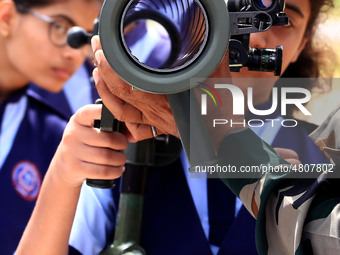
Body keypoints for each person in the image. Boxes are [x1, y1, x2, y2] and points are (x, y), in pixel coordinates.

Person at [16, 0, 337, 254]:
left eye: (280, 20)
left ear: (303, 42)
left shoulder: (319, 159)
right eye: (234, 9)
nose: (254, 33)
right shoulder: (126, 146)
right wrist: (62, 177)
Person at [0, 0, 102, 253]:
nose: (74, 54)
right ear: (6, 16)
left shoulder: (57, 139)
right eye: (60, 27)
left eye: (83, 39)